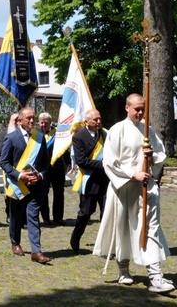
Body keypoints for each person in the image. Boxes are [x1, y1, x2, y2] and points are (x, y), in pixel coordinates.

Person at [92, 93, 174, 293]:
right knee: (123, 229)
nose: (140, 112)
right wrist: (132, 175)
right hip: (123, 188)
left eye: (142, 109)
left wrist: (151, 157)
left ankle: (155, 276)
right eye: (136, 108)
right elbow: (110, 162)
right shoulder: (117, 130)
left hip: (147, 189)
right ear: (127, 108)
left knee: (149, 229)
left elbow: (160, 157)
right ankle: (123, 270)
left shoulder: (149, 131)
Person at [0, 107, 51, 264]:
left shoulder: (40, 138)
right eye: (28, 118)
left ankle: (36, 251)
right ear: (20, 120)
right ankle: (15, 243)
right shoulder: (11, 138)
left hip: (35, 186)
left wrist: (40, 175)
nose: (31, 121)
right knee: (15, 217)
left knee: (33, 217)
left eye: (33, 118)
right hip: (17, 185)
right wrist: (20, 175)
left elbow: (45, 162)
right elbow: (4, 162)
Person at [70, 109, 108, 254]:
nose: (98, 122)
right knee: (85, 213)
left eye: (99, 119)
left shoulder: (105, 134)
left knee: (106, 214)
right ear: (87, 122)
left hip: (105, 181)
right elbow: (81, 161)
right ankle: (76, 237)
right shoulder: (79, 137)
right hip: (89, 180)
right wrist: (103, 164)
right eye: (95, 120)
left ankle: (104, 246)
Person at [38, 112, 65, 226]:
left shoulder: (57, 133)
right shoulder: (36, 134)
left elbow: (64, 147)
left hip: (57, 167)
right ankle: (46, 218)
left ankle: (58, 217)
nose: (43, 124)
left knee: (59, 193)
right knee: (43, 194)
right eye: (41, 122)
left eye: (46, 122)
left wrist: (68, 162)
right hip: (43, 169)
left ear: (50, 122)